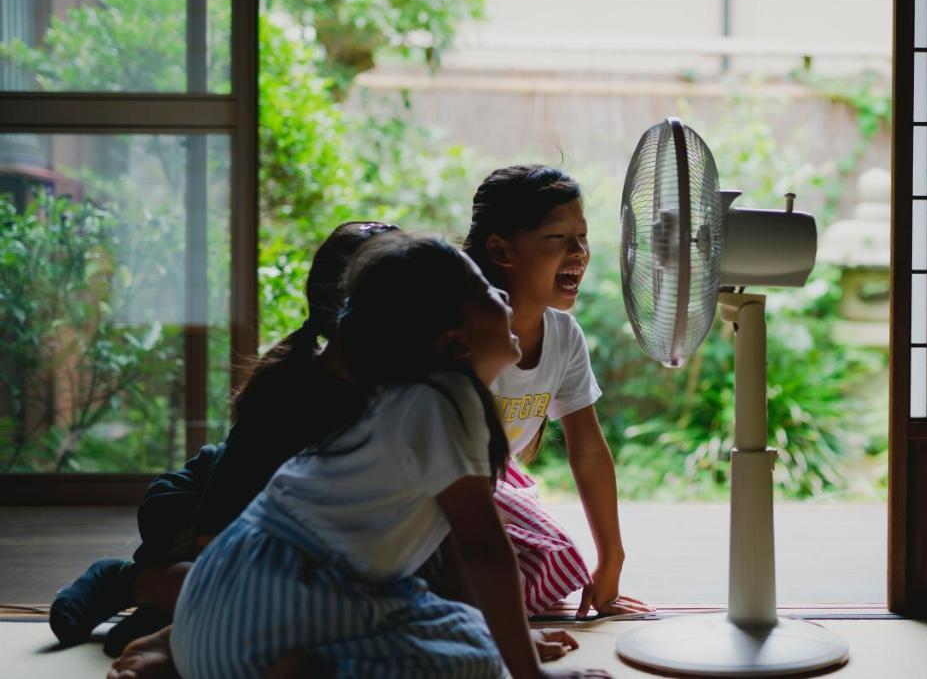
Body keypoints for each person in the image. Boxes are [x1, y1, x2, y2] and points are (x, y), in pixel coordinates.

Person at [164, 232, 607, 678]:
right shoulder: (444, 402)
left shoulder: (405, 396)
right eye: (485, 292)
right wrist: (530, 675)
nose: (504, 296)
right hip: (271, 611)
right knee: (472, 664)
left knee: (470, 638)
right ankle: (311, 669)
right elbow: (484, 550)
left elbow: (453, 552)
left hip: (219, 614)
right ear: (454, 342)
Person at [50, 221, 398, 655]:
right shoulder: (285, 393)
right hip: (197, 510)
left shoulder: (397, 387)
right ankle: (129, 581)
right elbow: (216, 530)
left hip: (279, 529)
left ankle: (166, 609)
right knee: (264, 596)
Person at [464, 165, 647, 618]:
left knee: (555, 562)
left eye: (582, 238)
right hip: (431, 484)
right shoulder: (463, 335)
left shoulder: (563, 336)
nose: (579, 253)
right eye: (558, 238)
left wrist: (612, 560)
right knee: (489, 574)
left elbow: (587, 450)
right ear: (502, 250)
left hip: (488, 479)